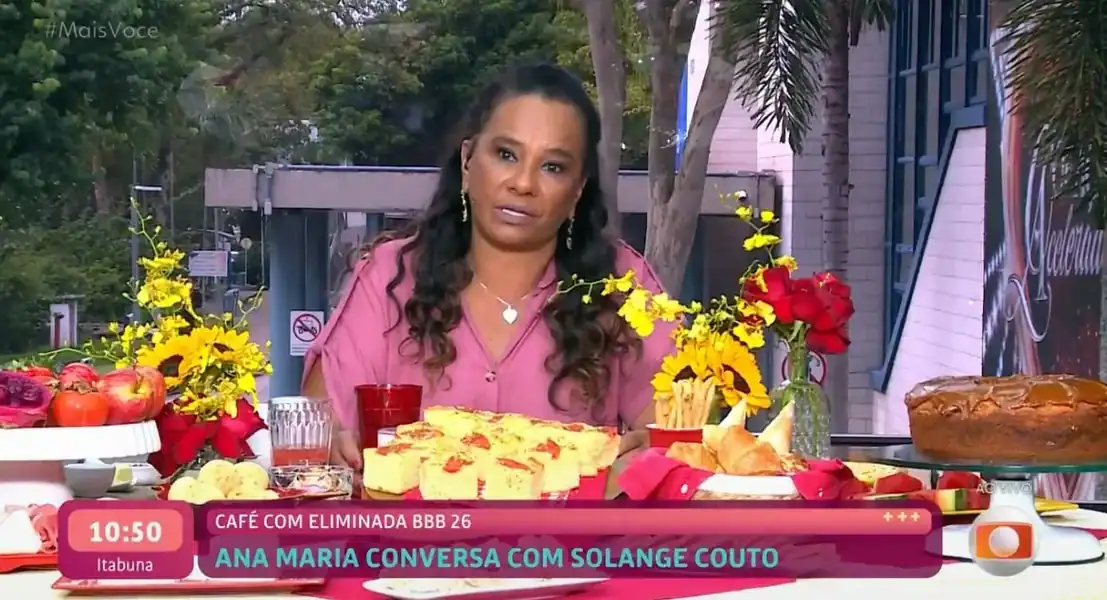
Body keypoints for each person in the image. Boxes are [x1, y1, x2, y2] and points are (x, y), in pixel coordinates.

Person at [302, 63, 676, 468]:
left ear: (577, 191)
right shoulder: (391, 276)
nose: (523, 183)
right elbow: (318, 423)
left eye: (553, 167)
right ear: (467, 161)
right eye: (506, 155)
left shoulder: (622, 287)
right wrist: (332, 444)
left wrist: (654, 450)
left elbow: (678, 432)